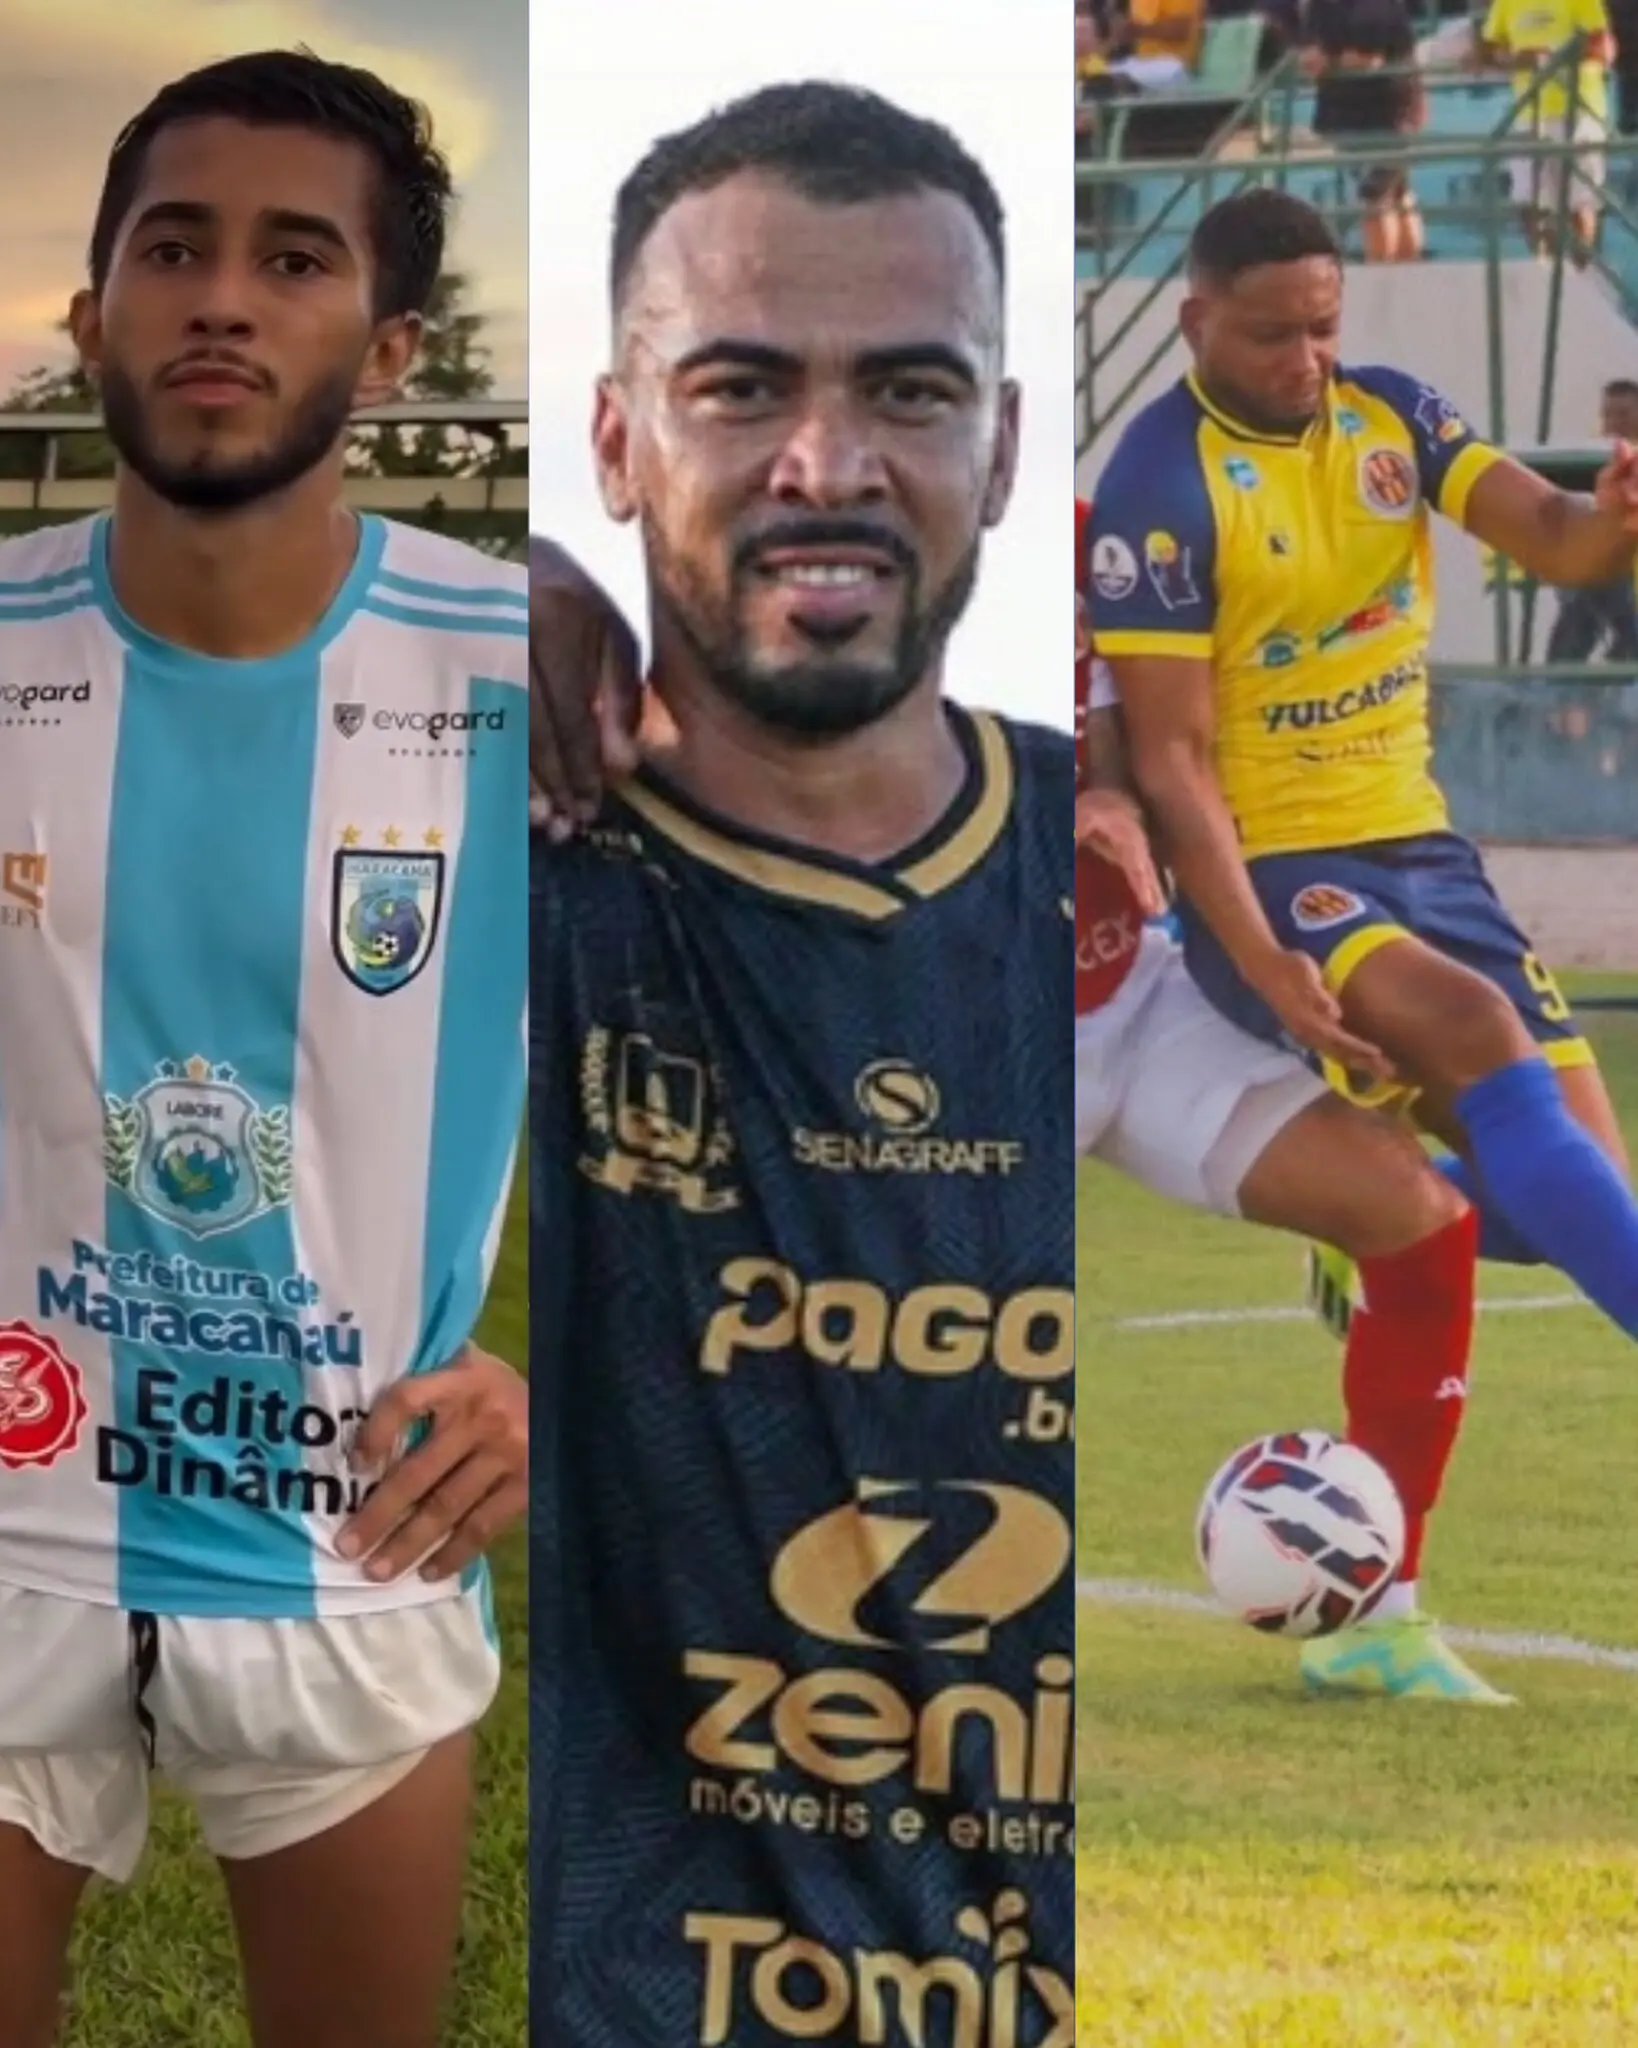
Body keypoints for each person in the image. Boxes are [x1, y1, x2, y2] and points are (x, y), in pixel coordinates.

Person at [531, 81, 1071, 2044]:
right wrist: (460, 595)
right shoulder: (503, 867)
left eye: (910, 392)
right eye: (739, 387)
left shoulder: (1123, 890)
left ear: (1001, 448)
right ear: (616, 440)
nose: (825, 464)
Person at [0, 52, 527, 2048]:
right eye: (174, 248)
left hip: (348, 1525)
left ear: (387, 344)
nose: (222, 297)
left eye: (294, 258)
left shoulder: (530, 676)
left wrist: (571, 1382)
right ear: (92, 313)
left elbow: (719, 1093)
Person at [1088, 188, 1638, 1375]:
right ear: (1195, 323)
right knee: (1478, 1032)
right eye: (1271, 334)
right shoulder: (1160, 483)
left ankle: (1367, 1201)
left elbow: (1555, 535)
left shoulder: (1391, 413)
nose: (1306, 358)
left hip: (1426, 851)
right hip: (1278, 868)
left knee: (1581, 1196)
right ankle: (1372, 1192)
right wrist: (1259, 956)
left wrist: (1616, 517)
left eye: (1323, 326)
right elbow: (1174, 759)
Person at [1075, 497, 1498, 1703]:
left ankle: (1382, 1618)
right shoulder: (865, 583)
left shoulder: (1109, 544)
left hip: (1125, 986)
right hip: (964, 1029)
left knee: (1410, 1205)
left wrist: (1113, 791)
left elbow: (1154, 734)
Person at [1479, 0, 1614, 259]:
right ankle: (1544, 270)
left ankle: (1580, 273)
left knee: (1579, 204)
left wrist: (1552, 56)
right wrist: (1512, 58)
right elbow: (1489, 48)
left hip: (1578, 111)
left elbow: (1604, 48)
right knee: (1531, 204)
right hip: (1528, 113)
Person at [1304, 0, 1427, 265]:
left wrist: (1328, 61)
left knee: (1375, 195)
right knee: (1396, 193)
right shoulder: (1321, 7)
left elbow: (1369, 59)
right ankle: (1407, 268)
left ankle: (1383, 272)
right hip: (1348, 115)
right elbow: (1312, 50)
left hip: (1388, 113)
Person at [1546, 378, 1638, 661]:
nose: (1614, 423)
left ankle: (1565, 677)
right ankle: (1562, 679)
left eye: (1623, 414)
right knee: (1584, 591)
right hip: (1606, 569)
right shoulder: (1593, 460)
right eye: (1608, 415)